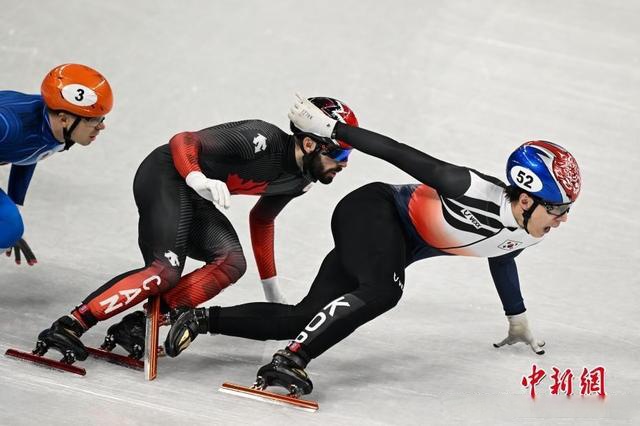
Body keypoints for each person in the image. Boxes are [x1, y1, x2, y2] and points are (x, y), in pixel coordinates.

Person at [164, 94, 581, 396]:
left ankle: (198, 319)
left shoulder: (529, 228)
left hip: (389, 246)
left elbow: (503, 254)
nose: (562, 220)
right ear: (526, 198)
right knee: (383, 291)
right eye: (559, 210)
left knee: (302, 317)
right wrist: (333, 130)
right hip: (373, 210)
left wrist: (516, 317)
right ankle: (290, 360)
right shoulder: (471, 187)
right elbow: (398, 153)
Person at [35, 96, 359, 363]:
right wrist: (195, 176)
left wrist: (271, 287)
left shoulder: (301, 182)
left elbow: (262, 220)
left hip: (195, 194)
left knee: (232, 262)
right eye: (341, 153)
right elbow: (183, 140)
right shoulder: (262, 139)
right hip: (169, 175)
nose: (345, 163)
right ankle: (70, 325)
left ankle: (138, 324)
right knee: (164, 271)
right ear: (309, 143)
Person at [1, 64, 113, 264]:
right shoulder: (8, 126)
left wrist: (13, 207)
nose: (101, 126)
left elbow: (29, 154)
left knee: (8, 225)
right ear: (64, 119)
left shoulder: (58, 130)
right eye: (93, 119)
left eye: (101, 118)